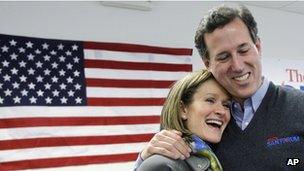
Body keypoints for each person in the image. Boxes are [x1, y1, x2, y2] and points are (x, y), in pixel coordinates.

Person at [135, 4, 304, 170]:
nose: (237, 65)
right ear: (208, 63)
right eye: (224, 57)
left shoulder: (299, 106)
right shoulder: (201, 125)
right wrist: (145, 157)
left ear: (258, 47)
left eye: (243, 50)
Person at [137, 69, 231, 171]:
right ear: (182, 109)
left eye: (226, 105)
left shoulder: (220, 158)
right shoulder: (162, 165)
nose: (221, 111)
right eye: (210, 100)